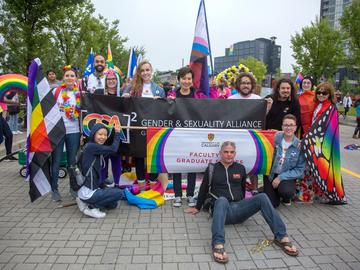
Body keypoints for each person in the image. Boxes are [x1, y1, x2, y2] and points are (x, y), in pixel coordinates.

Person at [185, 141, 299, 263]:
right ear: (220, 153)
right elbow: (203, 189)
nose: (229, 155)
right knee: (222, 200)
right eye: (226, 152)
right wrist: (197, 207)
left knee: (263, 197)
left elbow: (243, 188)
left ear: (235, 153)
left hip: (239, 210)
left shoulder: (240, 168)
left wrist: (244, 205)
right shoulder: (212, 169)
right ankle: (218, 244)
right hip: (222, 211)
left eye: (232, 152)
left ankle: (281, 236)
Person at [122, 60, 165, 189]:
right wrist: (125, 97)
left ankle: (152, 182)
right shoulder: (132, 88)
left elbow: (165, 110)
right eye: (143, 70)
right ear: (139, 73)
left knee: (154, 155)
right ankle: (141, 183)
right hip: (137, 128)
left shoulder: (159, 89)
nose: (145, 73)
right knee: (139, 155)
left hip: (154, 128)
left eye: (147, 70)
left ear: (151, 71)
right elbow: (123, 107)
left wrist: (161, 102)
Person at [76, 123, 125, 219]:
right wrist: (118, 133)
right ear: (94, 134)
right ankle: (91, 208)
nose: (103, 137)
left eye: (105, 135)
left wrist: (103, 184)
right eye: (100, 134)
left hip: (91, 188)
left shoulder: (92, 147)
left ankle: (83, 201)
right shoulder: (91, 147)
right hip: (88, 191)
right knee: (119, 193)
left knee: (113, 205)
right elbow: (113, 149)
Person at [167, 66, 198, 207]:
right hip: (176, 135)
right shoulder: (172, 95)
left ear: (192, 80)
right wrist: (162, 101)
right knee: (177, 164)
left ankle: (190, 195)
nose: (186, 81)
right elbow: (165, 111)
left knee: (192, 164)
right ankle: (178, 195)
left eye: (189, 78)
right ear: (179, 79)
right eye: (183, 78)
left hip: (193, 135)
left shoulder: (197, 95)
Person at [51, 67, 81, 202]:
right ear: (63, 78)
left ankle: (73, 188)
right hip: (58, 131)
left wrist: (82, 134)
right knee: (56, 161)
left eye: (72, 75)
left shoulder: (80, 93)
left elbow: (83, 114)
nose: (69, 77)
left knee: (72, 162)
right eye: (67, 75)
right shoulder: (56, 92)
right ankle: (54, 189)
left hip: (74, 131)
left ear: (76, 78)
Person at [264, 114, 305, 207]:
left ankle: (285, 196)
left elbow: (299, 170)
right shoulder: (274, 138)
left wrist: (280, 177)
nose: (288, 128)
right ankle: (274, 193)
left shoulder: (300, 146)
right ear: (282, 127)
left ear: (295, 127)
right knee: (272, 204)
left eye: (291, 125)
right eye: (286, 125)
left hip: (286, 176)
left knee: (286, 191)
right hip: (270, 174)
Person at [101, 69, 122, 186]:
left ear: (117, 80)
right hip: (104, 131)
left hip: (118, 131)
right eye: (109, 79)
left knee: (116, 159)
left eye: (113, 79)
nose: (111, 81)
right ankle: (102, 182)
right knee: (103, 158)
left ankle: (118, 183)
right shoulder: (100, 93)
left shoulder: (122, 93)